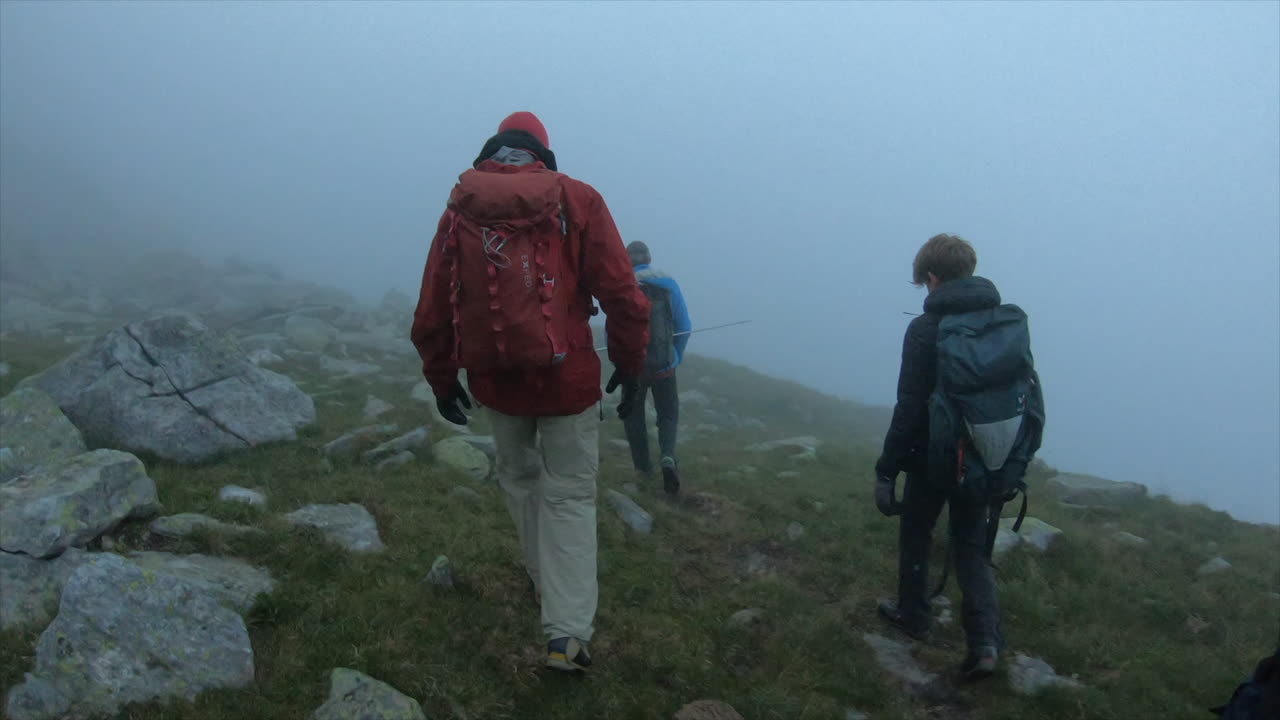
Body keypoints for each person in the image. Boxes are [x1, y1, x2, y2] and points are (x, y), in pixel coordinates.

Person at [410, 111, 650, 673]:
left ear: (494, 150)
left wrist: (443, 378)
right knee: (568, 494)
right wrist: (632, 366)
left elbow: (432, 307)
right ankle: (566, 635)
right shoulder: (577, 199)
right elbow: (623, 293)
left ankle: (547, 588)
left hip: (497, 380)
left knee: (521, 483)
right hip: (567, 383)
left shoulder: (459, 208)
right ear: (544, 152)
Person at [873, 233, 1044, 680]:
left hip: (934, 457)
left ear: (931, 278)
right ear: (969, 270)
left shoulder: (925, 329)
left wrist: (886, 470)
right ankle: (985, 643)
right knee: (971, 548)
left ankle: (913, 615)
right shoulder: (1004, 324)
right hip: (986, 456)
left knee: (917, 532)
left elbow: (909, 407)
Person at [621, 240, 692, 497]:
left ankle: (642, 469)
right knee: (668, 414)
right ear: (649, 257)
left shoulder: (623, 284)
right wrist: (675, 357)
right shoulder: (668, 283)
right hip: (664, 365)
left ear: (627, 260)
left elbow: (613, 331)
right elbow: (684, 325)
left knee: (633, 416)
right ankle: (668, 456)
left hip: (632, 368)